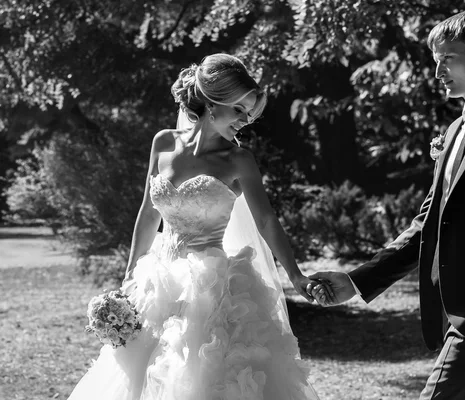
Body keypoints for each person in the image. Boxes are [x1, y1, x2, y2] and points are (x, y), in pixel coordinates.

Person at [309, 9, 465, 400]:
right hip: (453, 306)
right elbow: (429, 223)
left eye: (447, 59)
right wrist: (357, 280)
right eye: (435, 62)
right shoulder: (453, 129)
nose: (437, 72)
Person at [68, 54, 321, 400]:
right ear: (212, 102)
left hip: (211, 289)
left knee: (200, 378)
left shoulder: (238, 160)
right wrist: (130, 273)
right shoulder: (163, 143)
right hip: (158, 282)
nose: (245, 121)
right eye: (238, 110)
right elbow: (148, 214)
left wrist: (297, 277)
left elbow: (266, 220)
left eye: (249, 113)